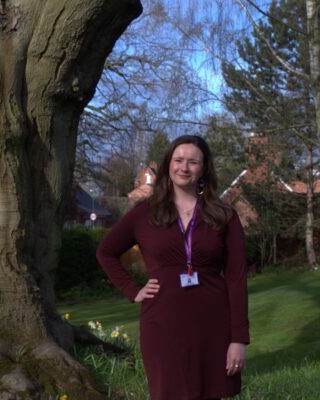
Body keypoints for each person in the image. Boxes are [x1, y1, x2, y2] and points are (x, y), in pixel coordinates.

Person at [96, 135, 249, 400]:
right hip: (163, 324)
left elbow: (236, 279)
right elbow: (105, 252)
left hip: (213, 323)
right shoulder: (144, 213)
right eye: (178, 160)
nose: (184, 168)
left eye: (193, 162)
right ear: (168, 164)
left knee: (210, 393)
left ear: (204, 168)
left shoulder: (223, 215)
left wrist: (238, 339)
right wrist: (133, 290)